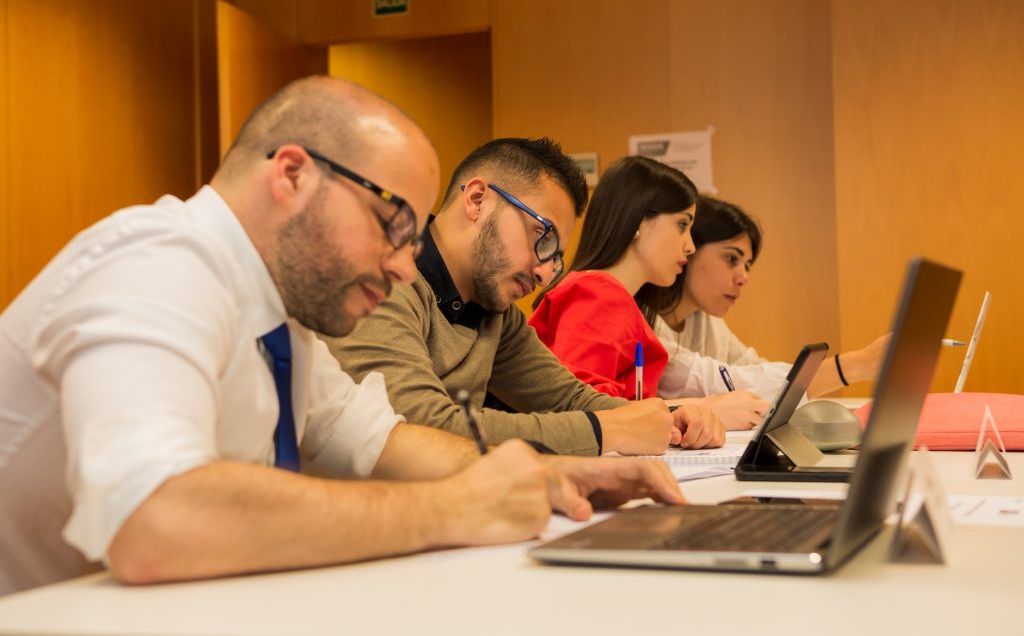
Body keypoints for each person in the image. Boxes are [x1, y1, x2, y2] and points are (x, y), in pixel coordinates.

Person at [0, 77, 684, 596]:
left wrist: (548, 473)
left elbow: (383, 440)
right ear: (292, 174)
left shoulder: (285, 316)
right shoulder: (156, 262)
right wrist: (453, 505)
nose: (403, 262)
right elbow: (154, 521)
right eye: (391, 224)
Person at [324, 139, 725, 457]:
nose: (544, 271)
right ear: (477, 200)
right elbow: (419, 428)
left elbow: (567, 397)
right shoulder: (381, 280)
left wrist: (669, 418)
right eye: (542, 237)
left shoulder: (494, 310)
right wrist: (610, 430)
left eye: (555, 254)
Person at [528, 156, 769, 430]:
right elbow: (581, 415)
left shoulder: (616, 300)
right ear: (638, 222)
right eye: (682, 225)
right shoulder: (597, 296)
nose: (690, 246)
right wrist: (699, 408)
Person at [652, 195, 889, 402]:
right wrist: (857, 364)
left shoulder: (704, 319)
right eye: (731, 259)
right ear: (690, 249)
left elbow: (755, 368)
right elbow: (724, 384)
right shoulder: (645, 324)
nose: (743, 277)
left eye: (747, 265)